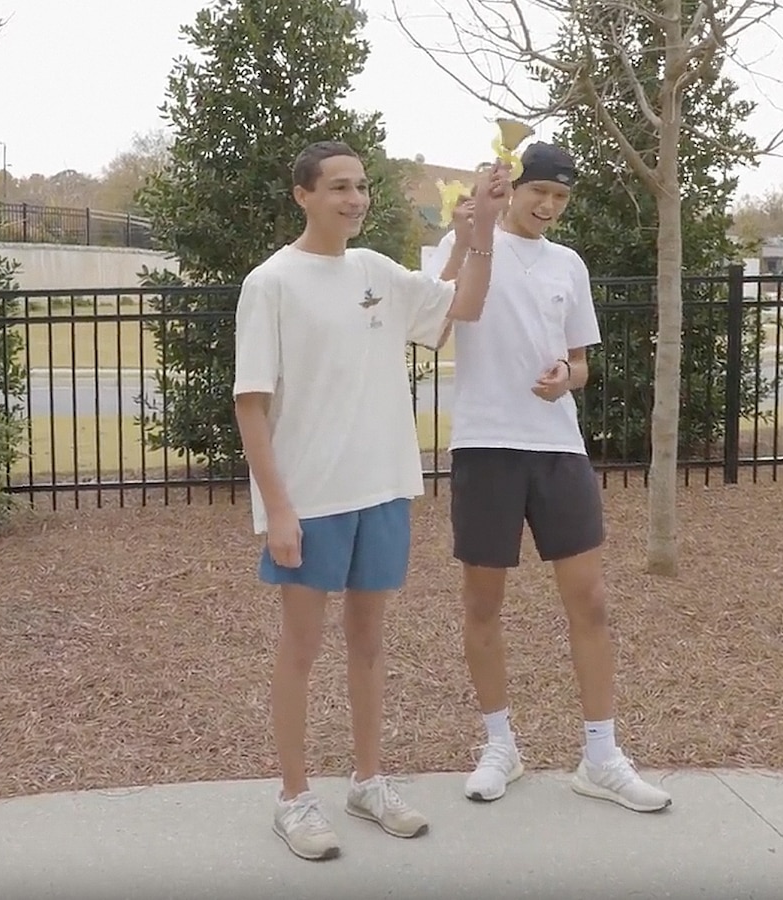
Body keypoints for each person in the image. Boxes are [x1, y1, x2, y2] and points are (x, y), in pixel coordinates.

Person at [232, 140, 509, 861]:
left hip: (384, 487)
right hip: (312, 500)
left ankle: (367, 781)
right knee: (301, 649)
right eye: (337, 187)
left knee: (369, 645)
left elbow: (460, 309)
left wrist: (479, 235)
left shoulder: (376, 271)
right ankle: (293, 799)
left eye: (359, 187)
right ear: (302, 194)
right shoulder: (271, 283)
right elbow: (251, 406)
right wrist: (279, 510)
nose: (353, 199)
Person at [423, 142, 673, 813]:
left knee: (589, 601)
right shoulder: (468, 245)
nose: (549, 206)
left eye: (561, 198)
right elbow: (435, 323)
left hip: (558, 448)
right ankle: (500, 746)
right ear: (515, 187)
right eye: (540, 192)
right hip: (484, 444)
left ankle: (600, 757)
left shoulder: (568, 264)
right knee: (483, 605)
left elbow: (581, 363)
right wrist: (472, 223)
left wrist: (569, 375)